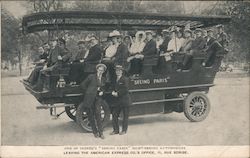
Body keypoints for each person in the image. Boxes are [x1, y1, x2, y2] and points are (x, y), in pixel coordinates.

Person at [79, 64, 107, 139]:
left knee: (98, 114)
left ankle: (101, 133)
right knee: (90, 115)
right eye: (99, 70)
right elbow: (82, 85)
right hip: (89, 98)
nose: (101, 71)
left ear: (103, 71)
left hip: (98, 98)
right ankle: (95, 132)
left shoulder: (104, 79)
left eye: (102, 70)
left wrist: (102, 92)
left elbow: (104, 88)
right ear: (97, 69)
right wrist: (88, 92)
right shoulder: (91, 77)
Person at [110, 65, 131, 135]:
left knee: (125, 116)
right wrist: (112, 91)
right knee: (114, 115)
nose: (118, 72)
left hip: (125, 100)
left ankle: (124, 130)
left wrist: (117, 93)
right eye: (116, 70)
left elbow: (126, 89)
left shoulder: (125, 79)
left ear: (122, 71)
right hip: (117, 101)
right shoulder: (115, 79)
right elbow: (113, 87)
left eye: (119, 70)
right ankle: (116, 130)